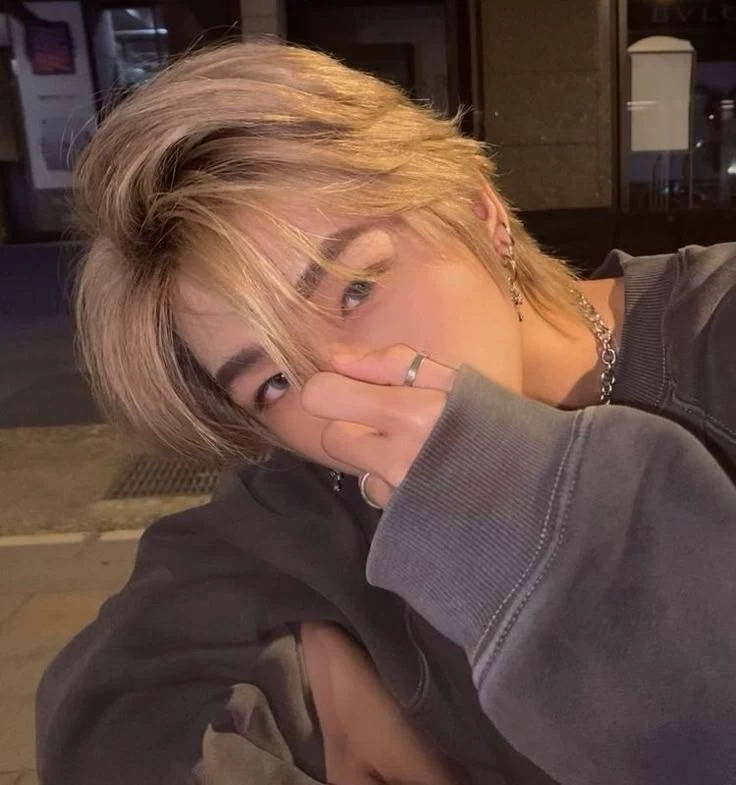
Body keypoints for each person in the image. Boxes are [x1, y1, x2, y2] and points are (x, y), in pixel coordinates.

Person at [36, 40, 736, 785]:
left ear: (477, 211)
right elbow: (112, 713)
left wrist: (526, 500)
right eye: (273, 382)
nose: (336, 388)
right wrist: (321, 700)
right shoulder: (324, 495)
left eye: (354, 288)